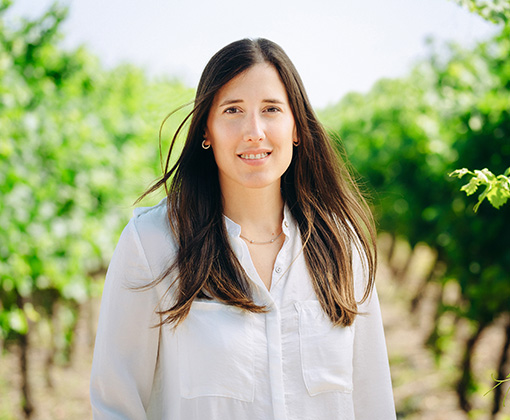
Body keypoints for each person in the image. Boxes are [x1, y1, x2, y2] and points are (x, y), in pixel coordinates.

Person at [90, 38, 396, 420]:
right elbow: (115, 405)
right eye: (233, 110)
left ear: (297, 127)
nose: (254, 131)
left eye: (271, 109)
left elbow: (373, 402)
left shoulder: (341, 245)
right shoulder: (153, 243)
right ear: (207, 131)